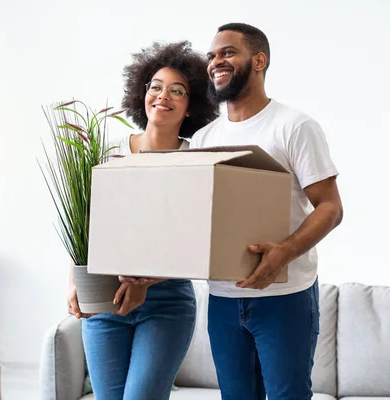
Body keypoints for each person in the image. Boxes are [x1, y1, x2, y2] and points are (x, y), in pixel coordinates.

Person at [190, 23, 344, 399]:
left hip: (285, 297)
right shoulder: (204, 138)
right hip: (222, 300)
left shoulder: (294, 126)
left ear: (259, 61)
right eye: (211, 55)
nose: (215, 62)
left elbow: (331, 207)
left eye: (227, 52)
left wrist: (284, 252)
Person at [67, 41, 219, 400]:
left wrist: (145, 282)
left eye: (177, 91)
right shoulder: (110, 149)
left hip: (167, 303)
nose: (163, 95)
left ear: (190, 106)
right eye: (156, 86)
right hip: (103, 295)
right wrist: (75, 281)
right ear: (142, 93)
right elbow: (84, 223)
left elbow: (199, 238)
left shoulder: (198, 159)